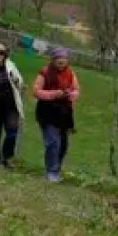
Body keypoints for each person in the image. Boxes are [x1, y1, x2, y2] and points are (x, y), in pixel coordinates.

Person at [33, 48, 80, 183]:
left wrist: (69, 94)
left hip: (64, 114)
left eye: (64, 61)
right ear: (53, 61)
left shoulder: (70, 73)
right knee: (53, 142)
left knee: (63, 145)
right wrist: (54, 94)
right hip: (47, 112)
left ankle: (56, 170)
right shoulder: (45, 73)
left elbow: (76, 91)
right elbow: (36, 91)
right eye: (59, 61)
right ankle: (51, 172)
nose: (61, 63)